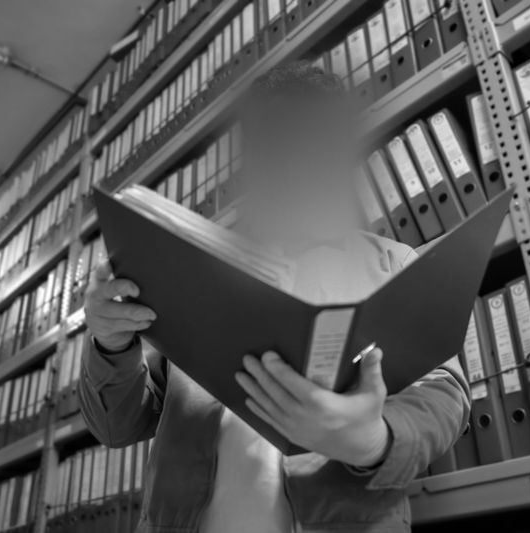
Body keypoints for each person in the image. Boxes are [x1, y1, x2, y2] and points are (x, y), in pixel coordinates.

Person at [79, 61, 470, 533]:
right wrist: (110, 344)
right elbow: (118, 426)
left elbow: (445, 397)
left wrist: (372, 440)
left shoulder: (392, 263)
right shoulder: (193, 266)